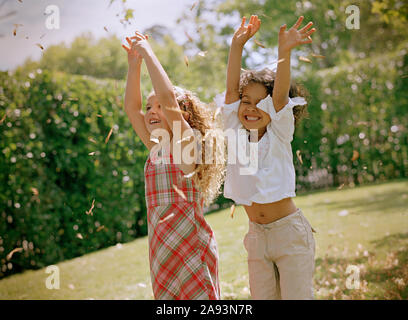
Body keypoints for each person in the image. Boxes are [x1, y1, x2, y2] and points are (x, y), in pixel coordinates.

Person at [216, 15, 317, 299]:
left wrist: (283, 53)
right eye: (246, 101)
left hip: (289, 235)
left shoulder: (279, 134)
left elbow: (281, 99)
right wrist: (236, 46)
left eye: (261, 103)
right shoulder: (235, 131)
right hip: (257, 238)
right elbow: (230, 92)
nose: (250, 108)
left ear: (272, 110)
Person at [122, 31, 223, 300]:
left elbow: (168, 99)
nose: (152, 111)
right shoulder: (156, 149)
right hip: (161, 250)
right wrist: (134, 66)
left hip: (191, 247)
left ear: (183, 116)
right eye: (149, 106)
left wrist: (148, 52)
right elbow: (132, 109)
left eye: (159, 106)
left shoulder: (185, 142)